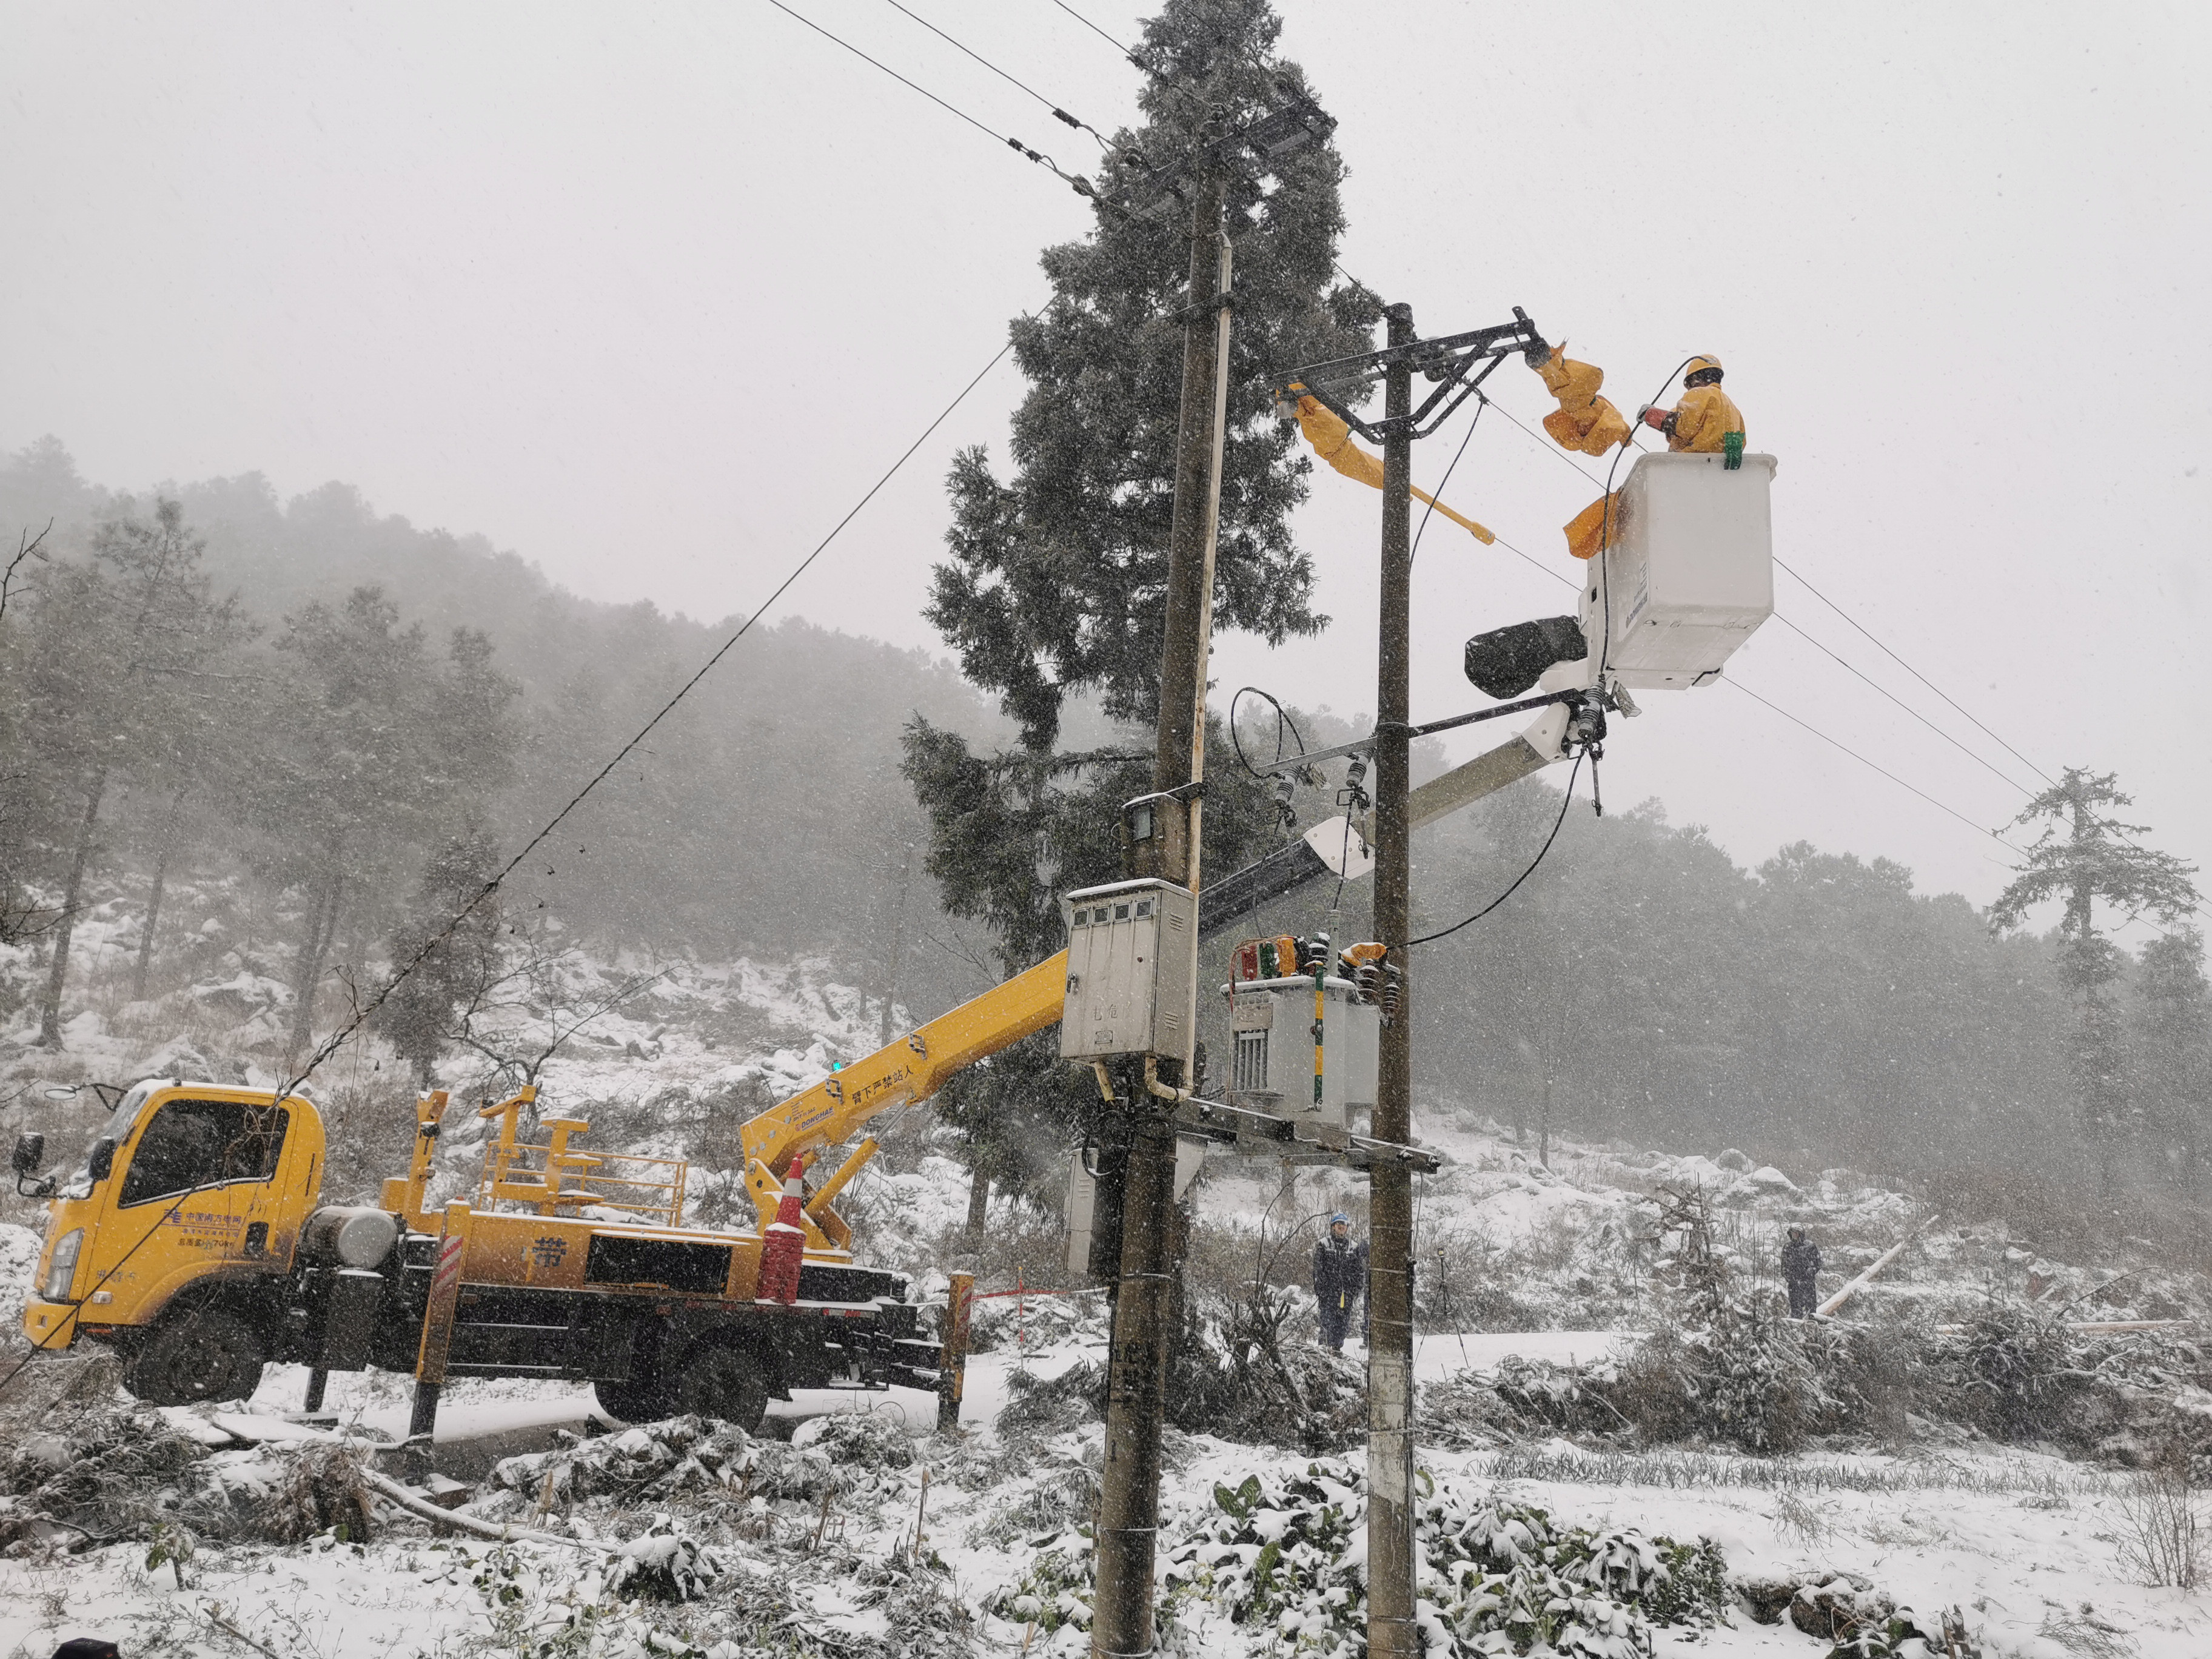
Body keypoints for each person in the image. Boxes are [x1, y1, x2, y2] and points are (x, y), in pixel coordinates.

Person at [1639, 355, 1748, 469]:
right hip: (1720, 472)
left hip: (1693, 468)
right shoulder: (1734, 410)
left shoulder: (1700, 393)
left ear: (1695, 380)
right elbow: (1741, 443)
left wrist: (1650, 415)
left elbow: (1684, 426)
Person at [1312, 1212, 1367, 1353]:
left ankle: (1337, 1350)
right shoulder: (1324, 1244)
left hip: (1346, 1295)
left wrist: (1355, 1290)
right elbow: (1318, 1270)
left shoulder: (1353, 1247)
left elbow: (1359, 1271)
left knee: (1342, 1324)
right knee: (1327, 1322)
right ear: (1333, 1227)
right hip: (1329, 1294)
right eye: (1339, 1224)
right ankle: (1323, 1351)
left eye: (1344, 1224)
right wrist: (1321, 1291)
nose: (1342, 1227)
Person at [1781, 1226, 1822, 1319]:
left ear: (1801, 1234)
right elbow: (1784, 1266)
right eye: (1793, 1233)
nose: (1794, 1235)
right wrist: (1791, 1278)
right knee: (1796, 1309)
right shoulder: (1788, 1247)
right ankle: (1796, 1326)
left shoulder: (1810, 1246)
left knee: (1811, 1308)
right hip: (1794, 1284)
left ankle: (1811, 1326)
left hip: (1808, 1283)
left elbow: (1817, 1264)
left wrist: (1809, 1273)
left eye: (1797, 1233)